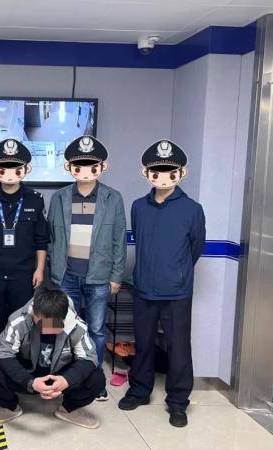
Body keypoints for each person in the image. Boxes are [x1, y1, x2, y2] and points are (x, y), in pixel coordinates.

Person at [118, 140, 205, 428]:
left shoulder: (192, 209)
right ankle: (139, 391)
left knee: (178, 348)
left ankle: (178, 402)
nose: (163, 177)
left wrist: (177, 273)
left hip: (177, 293)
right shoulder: (138, 207)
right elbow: (140, 241)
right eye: (157, 172)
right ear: (147, 174)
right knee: (142, 344)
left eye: (170, 171)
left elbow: (195, 249)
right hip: (144, 288)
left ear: (181, 173)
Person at [47, 135, 126, 401]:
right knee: (62, 329)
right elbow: (51, 238)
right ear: (69, 167)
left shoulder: (112, 198)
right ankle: (63, 379)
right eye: (78, 165)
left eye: (92, 166)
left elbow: (118, 240)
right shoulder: (59, 197)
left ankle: (94, 380)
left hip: (99, 278)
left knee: (96, 331)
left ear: (102, 167)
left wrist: (116, 276)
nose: (84, 171)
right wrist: (53, 270)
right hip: (65, 276)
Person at [0, 283, 105, 428]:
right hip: (29, 373)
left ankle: (68, 409)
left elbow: (89, 358)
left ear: (63, 317)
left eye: (54, 323)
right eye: (42, 322)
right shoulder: (19, 320)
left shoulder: (76, 325)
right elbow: (4, 354)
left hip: (60, 374)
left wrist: (66, 380)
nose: (48, 327)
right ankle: (10, 407)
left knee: (97, 379)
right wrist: (30, 382)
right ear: (33, 311)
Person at [0, 138, 49, 367]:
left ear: (25, 169)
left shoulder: (35, 200)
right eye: (3, 168)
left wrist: (39, 269)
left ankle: (18, 366)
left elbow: (41, 240)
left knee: (22, 323)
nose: (9, 173)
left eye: (15, 168)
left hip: (23, 274)